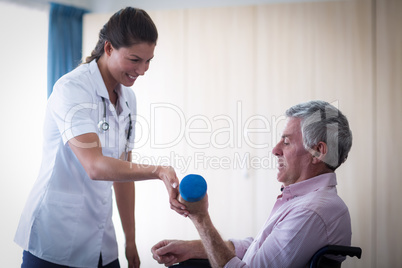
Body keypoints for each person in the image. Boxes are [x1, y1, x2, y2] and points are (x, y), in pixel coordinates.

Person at [14, 7, 186, 268]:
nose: (142, 70)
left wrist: (130, 240)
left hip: (102, 243)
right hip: (53, 241)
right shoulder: (72, 89)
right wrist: (159, 170)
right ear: (108, 49)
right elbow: (95, 166)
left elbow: (122, 173)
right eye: (134, 59)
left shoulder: (128, 98)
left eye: (148, 60)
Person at [152, 100, 353, 268]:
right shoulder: (306, 201)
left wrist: (200, 218)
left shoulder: (312, 211)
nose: (275, 150)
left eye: (286, 142)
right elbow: (258, 249)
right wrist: (194, 248)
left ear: (318, 151)